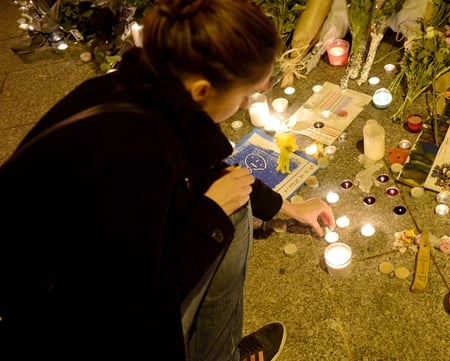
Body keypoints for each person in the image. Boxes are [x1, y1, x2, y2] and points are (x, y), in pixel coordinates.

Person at [0, 0, 335, 360]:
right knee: (227, 212)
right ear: (203, 90)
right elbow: (132, 310)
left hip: (75, 277)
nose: (244, 106)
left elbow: (203, 161)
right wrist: (209, 214)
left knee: (235, 202)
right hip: (53, 326)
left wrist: (288, 206)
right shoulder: (136, 155)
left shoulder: (140, 85)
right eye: (245, 95)